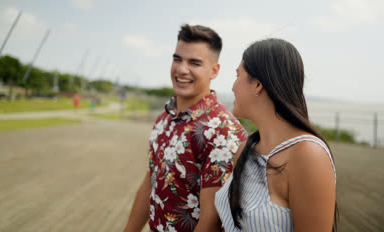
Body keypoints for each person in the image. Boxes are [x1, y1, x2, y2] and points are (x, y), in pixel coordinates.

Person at [124, 24, 247, 232]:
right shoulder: (164, 118)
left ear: (214, 70)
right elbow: (149, 184)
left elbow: (211, 221)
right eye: (177, 59)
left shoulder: (223, 131)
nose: (181, 69)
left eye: (194, 63)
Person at [215, 38, 338, 231]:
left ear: (257, 84)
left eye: (237, 75)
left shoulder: (307, 155)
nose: (232, 86)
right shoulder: (246, 150)